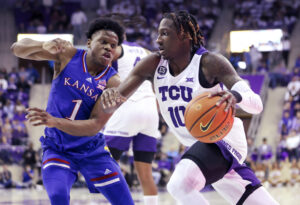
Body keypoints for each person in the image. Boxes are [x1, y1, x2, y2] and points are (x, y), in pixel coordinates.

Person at [101, 11, 279, 205]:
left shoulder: (210, 63)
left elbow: (257, 104)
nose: (158, 40)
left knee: (179, 185)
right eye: (158, 34)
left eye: (165, 33)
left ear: (184, 35)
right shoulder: (153, 64)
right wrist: (105, 97)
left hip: (224, 139)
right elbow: (117, 98)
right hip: (200, 145)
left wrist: (235, 96)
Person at [11, 18, 134, 205]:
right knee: (58, 197)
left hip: (92, 150)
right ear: (89, 43)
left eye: (113, 45)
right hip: (57, 148)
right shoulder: (68, 55)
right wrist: (44, 44)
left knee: (125, 203)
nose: (109, 47)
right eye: (103, 42)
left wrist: (54, 121)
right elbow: (17, 48)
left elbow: (94, 126)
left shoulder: (114, 83)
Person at [102, 14, 160, 205]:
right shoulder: (144, 50)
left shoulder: (115, 50)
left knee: (105, 168)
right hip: (150, 110)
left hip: (128, 107)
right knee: (145, 173)